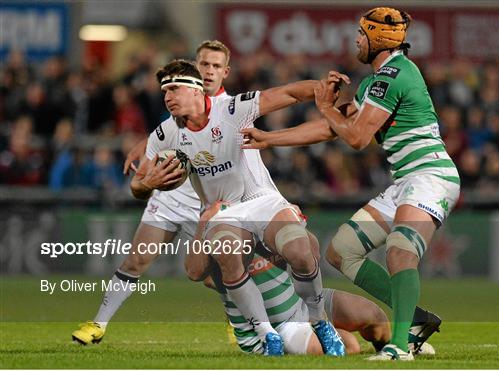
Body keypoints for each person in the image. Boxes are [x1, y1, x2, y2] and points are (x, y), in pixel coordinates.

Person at [241, 7, 460, 361]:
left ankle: (400, 345)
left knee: (399, 252)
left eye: (362, 33)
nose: (356, 39)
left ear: (379, 38)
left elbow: (356, 137)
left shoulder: (393, 75)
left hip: (431, 176)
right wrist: (269, 138)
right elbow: (332, 127)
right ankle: (415, 321)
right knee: (341, 251)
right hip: (407, 181)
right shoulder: (379, 80)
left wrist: (325, 106)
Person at [131, 59, 347, 355]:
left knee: (301, 251)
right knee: (227, 255)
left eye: (175, 88)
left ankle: (319, 320)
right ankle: (266, 333)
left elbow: (286, 94)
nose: (167, 96)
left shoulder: (231, 109)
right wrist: (146, 184)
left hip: (260, 201)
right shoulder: (165, 133)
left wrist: (321, 88)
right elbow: (137, 185)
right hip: (224, 214)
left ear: (197, 90)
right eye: (164, 90)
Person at [71, 40, 233, 345]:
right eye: (203, 64)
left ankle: (237, 318)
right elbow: (165, 133)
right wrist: (141, 151)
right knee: (135, 261)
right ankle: (98, 325)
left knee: (213, 274)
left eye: (215, 66)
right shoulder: (179, 99)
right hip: (169, 194)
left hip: (207, 204)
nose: (208, 71)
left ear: (226, 72)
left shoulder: (231, 108)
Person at [189, 201, 391, 355]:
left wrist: (298, 224)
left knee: (375, 317)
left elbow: (312, 255)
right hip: (278, 326)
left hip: (300, 302)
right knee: (349, 344)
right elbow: (196, 273)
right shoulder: (219, 220)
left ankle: (390, 353)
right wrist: (203, 223)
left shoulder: (268, 206)